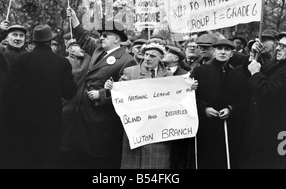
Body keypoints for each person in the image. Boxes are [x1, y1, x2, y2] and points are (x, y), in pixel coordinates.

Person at [104, 42, 198, 169]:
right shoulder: (130, 72)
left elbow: (176, 99)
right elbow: (119, 96)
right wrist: (109, 90)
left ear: (161, 58)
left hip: (158, 133)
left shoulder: (168, 76)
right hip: (136, 131)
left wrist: (188, 89)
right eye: (146, 55)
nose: (148, 58)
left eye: (153, 56)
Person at [67, 7, 137, 169]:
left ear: (117, 39)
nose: (102, 37)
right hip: (85, 114)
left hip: (103, 119)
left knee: (99, 159)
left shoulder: (127, 60)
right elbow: (83, 37)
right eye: (101, 35)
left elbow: (127, 92)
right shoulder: (99, 50)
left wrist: (102, 94)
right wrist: (75, 19)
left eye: (106, 35)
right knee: (83, 156)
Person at [2, 24, 77, 169]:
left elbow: (9, 92)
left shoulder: (21, 60)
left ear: (33, 41)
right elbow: (70, 92)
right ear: (50, 41)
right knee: (48, 160)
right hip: (51, 122)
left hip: (24, 122)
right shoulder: (62, 62)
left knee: (26, 159)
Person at [190, 38, 246, 169]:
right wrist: (204, 108)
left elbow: (243, 101)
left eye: (227, 49)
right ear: (214, 51)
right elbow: (190, 97)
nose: (223, 52)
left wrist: (230, 109)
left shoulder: (238, 76)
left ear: (232, 53)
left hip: (227, 128)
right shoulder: (200, 71)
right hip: (204, 127)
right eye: (219, 49)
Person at [240, 31, 286, 169]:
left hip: (276, 132)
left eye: (284, 46)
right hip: (262, 127)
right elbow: (255, 77)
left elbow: (270, 91)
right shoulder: (279, 65)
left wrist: (256, 73)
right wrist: (254, 56)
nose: (278, 48)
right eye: (278, 45)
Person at [59, 38, 91, 168]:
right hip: (65, 110)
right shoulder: (63, 62)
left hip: (82, 112)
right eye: (79, 46)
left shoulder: (87, 59)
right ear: (70, 49)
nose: (83, 49)